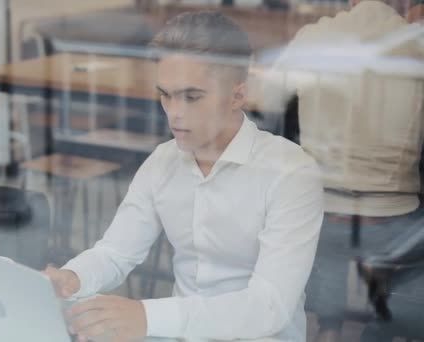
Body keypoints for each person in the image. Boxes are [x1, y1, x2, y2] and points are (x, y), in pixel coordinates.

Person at [44, 10, 323, 342]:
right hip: (176, 334)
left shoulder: (291, 173)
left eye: (192, 97)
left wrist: (148, 317)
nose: (174, 113)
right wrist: (72, 277)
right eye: (166, 94)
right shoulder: (163, 162)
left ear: (238, 95)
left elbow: (269, 308)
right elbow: (115, 253)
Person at [255, 0, 424, 341]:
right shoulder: (417, 45)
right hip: (392, 222)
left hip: (322, 214)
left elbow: (265, 99)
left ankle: (328, 328)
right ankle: (382, 327)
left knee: (322, 221)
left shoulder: (314, 37)